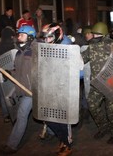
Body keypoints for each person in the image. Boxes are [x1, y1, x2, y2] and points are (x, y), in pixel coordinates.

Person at [81, 22, 113, 144]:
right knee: (92, 105)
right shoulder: (92, 46)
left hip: (111, 83)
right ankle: (103, 127)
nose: (92, 35)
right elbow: (82, 59)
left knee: (111, 110)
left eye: (94, 33)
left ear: (100, 34)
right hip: (97, 84)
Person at [0, 25, 37, 154]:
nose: (18, 36)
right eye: (18, 34)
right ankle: (50, 131)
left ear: (30, 36)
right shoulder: (20, 52)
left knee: (21, 115)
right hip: (21, 89)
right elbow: (19, 72)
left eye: (21, 34)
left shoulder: (36, 51)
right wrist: (10, 72)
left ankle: (12, 145)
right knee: (40, 114)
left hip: (31, 91)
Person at [41, 23, 74, 156]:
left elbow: (77, 70)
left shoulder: (66, 47)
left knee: (61, 118)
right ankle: (62, 140)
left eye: (48, 38)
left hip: (63, 88)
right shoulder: (50, 47)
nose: (46, 41)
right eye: (45, 38)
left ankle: (66, 144)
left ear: (56, 35)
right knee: (50, 118)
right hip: (51, 87)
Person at [0, 26, 17, 123]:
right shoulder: (12, 45)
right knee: (12, 93)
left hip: (1, 73)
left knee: (4, 94)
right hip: (11, 72)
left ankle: (6, 114)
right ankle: (14, 112)